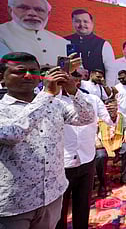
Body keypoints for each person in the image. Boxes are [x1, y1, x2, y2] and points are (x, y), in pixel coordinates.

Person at [0, 52, 94, 228]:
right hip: (15, 205)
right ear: (2, 78)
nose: (29, 76)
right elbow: (12, 134)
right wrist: (47, 94)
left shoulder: (54, 104)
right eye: (20, 71)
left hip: (51, 196)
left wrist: (73, 91)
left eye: (34, 71)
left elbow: (86, 117)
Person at [57, 71, 113, 229]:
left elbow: (109, 120)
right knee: (59, 211)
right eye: (70, 74)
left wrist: (114, 115)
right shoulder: (53, 101)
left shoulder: (92, 100)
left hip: (87, 159)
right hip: (62, 163)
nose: (73, 79)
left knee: (82, 207)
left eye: (77, 76)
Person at [0, 0, 69, 66]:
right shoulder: (2, 34)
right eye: (24, 8)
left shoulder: (63, 42)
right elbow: (7, 67)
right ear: (10, 10)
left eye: (39, 10)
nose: (32, 13)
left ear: (48, 14)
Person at [95, 98, 126, 198]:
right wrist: (97, 141)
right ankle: (103, 184)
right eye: (108, 108)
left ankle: (124, 178)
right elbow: (92, 132)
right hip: (103, 143)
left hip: (117, 142)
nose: (110, 110)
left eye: (112, 108)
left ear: (117, 107)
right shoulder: (98, 118)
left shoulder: (121, 116)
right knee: (100, 156)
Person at [65, 9, 116, 87]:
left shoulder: (103, 44)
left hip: (95, 91)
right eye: (77, 21)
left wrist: (108, 91)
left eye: (85, 21)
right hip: (69, 89)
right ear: (72, 23)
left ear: (92, 23)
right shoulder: (64, 41)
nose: (81, 24)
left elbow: (111, 71)